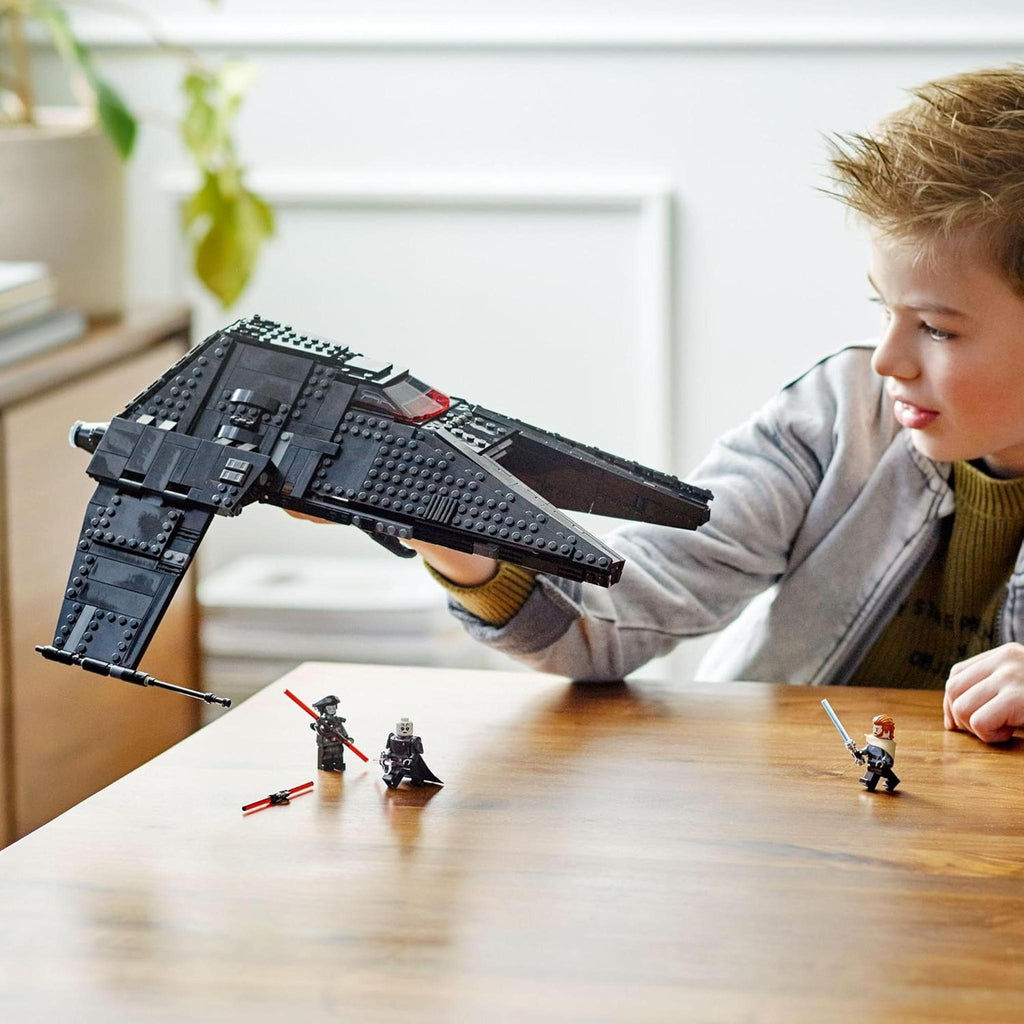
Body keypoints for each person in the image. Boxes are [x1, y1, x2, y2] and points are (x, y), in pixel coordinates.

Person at [406, 65, 1024, 748]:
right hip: (794, 799)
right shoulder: (841, 416)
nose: (886, 360)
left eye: (936, 328)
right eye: (882, 306)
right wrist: (455, 534)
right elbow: (608, 618)